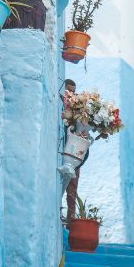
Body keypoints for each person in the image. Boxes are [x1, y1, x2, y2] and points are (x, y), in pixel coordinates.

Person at [61, 79, 81, 221]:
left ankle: (70, 221)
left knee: (72, 189)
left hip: (74, 153)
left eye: (73, 91)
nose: (71, 93)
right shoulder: (61, 104)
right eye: (68, 90)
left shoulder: (78, 108)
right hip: (64, 151)